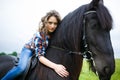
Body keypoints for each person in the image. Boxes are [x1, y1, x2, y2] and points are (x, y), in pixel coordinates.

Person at [2, 10, 69, 80]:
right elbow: (40, 57)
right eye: (50, 23)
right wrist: (55, 66)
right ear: (45, 23)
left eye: (55, 23)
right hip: (29, 50)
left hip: (42, 51)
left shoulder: (54, 34)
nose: (53, 26)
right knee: (21, 68)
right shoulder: (40, 36)